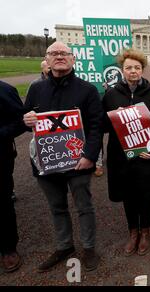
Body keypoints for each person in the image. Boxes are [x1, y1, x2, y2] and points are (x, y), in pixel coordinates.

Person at [23, 42, 103, 272]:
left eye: (64, 53)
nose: (59, 57)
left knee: (84, 206)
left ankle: (88, 248)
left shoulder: (87, 90)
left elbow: (97, 126)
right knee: (57, 207)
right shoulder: (36, 89)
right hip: (46, 162)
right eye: (53, 53)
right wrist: (26, 119)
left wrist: (90, 156)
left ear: (73, 59)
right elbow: (26, 116)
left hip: (78, 162)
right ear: (46, 60)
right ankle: (64, 245)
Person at [102, 49, 150, 256]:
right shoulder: (111, 94)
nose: (133, 71)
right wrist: (116, 117)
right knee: (128, 196)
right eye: (129, 68)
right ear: (122, 70)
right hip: (120, 156)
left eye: (137, 68)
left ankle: (146, 231)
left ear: (142, 70)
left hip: (145, 156)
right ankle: (133, 232)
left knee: (145, 195)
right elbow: (103, 125)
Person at [0, 81, 26, 273]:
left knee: (2, 202)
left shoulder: (5, 90)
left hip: (0, 156)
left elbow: (21, 121)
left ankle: (8, 247)